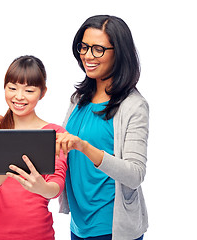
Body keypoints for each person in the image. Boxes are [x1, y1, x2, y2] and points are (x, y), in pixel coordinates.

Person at [55, 15, 149, 240]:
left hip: (111, 227)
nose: (88, 55)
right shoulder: (79, 99)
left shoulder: (133, 105)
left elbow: (135, 174)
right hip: (79, 224)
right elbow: (60, 145)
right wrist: (12, 121)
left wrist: (85, 147)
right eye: (84, 47)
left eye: (98, 49)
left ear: (119, 52)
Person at [0, 55, 67, 240]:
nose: (19, 96)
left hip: (38, 235)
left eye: (29, 90)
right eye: (12, 88)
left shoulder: (55, 133)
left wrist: (41, 187)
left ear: (43, 92)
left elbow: (56, 186)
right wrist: (6, 166)